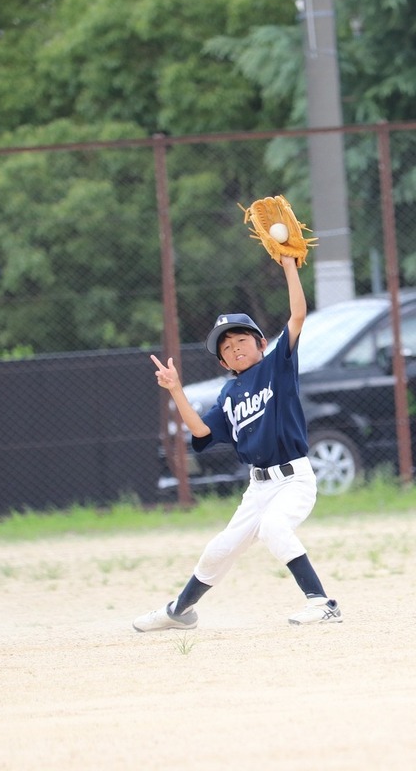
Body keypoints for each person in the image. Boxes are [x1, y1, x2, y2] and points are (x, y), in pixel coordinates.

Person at [133, 254, 342, 632]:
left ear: (261, 342)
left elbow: (297, 316)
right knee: (220, 548)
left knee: (275, 528)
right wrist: (176, 390)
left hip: (294, 478)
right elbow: (201, 432)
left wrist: (289, 266)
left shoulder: (277, 364)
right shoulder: (229, 394)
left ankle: (322, 602)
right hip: (258, 486)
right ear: (222, 361)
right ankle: (179, 611)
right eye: (226, 349)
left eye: (241, 340)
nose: (234, 349)